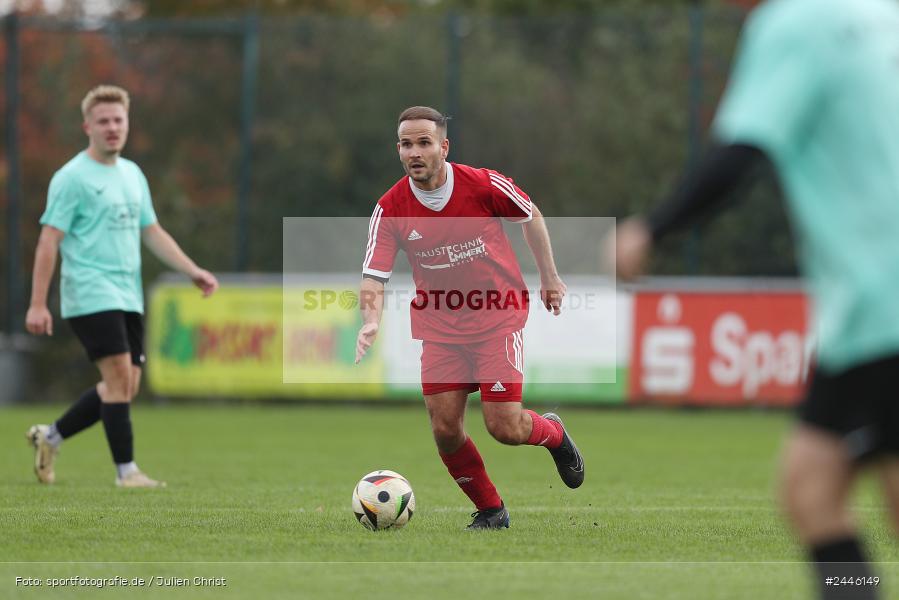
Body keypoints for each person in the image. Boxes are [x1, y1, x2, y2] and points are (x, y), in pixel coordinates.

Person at [612, 0, 899, 597]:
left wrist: (651, 230)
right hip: (873, 309)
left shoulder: (796, 24)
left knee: (814, 492)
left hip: (882, 304)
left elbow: (741, 152)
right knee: (817, 488)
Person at [355, 106, 584, 530]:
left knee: (505, 427)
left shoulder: (481, 184)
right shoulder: (390, 209)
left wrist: (549, 276)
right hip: (440, 329)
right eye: (406, 144)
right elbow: (373, 275)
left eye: (424, 142)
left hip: (496, 317)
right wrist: (370, 320)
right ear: (398, 150)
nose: (415, 152)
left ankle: (553, 433)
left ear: (444, 147)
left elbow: (530, 214)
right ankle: (492, 510)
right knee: (445, 429)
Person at [24, 85, 219, 488]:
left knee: (125, 385)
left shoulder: (132, 174)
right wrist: (37, 304)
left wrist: (191, 269)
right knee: (116, 380)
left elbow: (152, 230)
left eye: (118, 120)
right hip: (90, 292)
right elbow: (49, 240)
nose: (112, 128)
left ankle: (52, 436)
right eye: (104, 121)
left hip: (127, 294)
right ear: (87, 127)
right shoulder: (72, 178)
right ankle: (126, 472)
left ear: (127, 123)